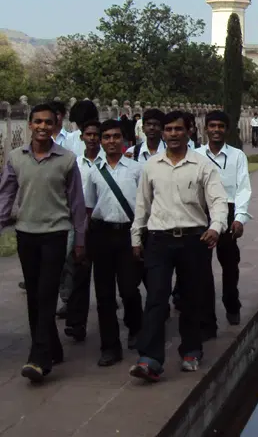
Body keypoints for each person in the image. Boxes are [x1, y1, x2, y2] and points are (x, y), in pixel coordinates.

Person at [129, 111, 228, 381]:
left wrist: (216, 226)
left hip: (193, 238)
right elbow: (142, 204)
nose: (173, 134)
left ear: (190, 132)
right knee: (156, 298)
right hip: (159, 238)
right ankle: (149, 358)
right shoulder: (151, 165)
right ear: (163, 133)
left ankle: (191, 350)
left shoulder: (202, 165)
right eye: (168, 129)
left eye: (178, 129)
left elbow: (218, 199)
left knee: (191, 298)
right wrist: (136, 237)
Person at [0, 103, 87, 383]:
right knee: (36, 294)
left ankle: (39, 358)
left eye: (48, 123)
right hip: (26, 233)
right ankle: (54, 346)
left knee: (47, 291)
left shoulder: (67, 159)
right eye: (37, 122)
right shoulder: (16, 157)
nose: (42, 127)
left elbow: (76, 203)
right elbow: (6, 195)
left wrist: (80, 240)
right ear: (29, 124)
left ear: (55, 125)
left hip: (56, 233)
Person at [82, 119, 143, 365]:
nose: (110, 141)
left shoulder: (136, 169)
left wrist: (140, 236)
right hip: (102, 234)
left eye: (115, 137)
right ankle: (110, 346)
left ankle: (136, 327)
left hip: (128, 233)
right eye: (106, 137)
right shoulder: (94, 171)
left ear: (124, 140)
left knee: (129, 288)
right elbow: (88, 207)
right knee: (105, 294)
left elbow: (143, 206)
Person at [198, 111, 252, 328]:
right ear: (206, 129)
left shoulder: (237, 156)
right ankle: (206, 315)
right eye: (212, 126)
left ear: (227, 130)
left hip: (228, 212)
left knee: (230, 264)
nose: (216, 130)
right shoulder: (196, 155)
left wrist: (239, 218)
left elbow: (243, 188)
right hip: (202, 213)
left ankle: (231, 305)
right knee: (201, 267)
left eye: (221, 126)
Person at [64, 120, 104, 343]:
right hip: (81, 224)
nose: (92, 138)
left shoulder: (110, 163)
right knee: (79, 274)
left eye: (96, 135)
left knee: (106, 277)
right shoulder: (75, 164)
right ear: (82, 137)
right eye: (88, 134)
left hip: (104, 224)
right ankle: (76, 322)